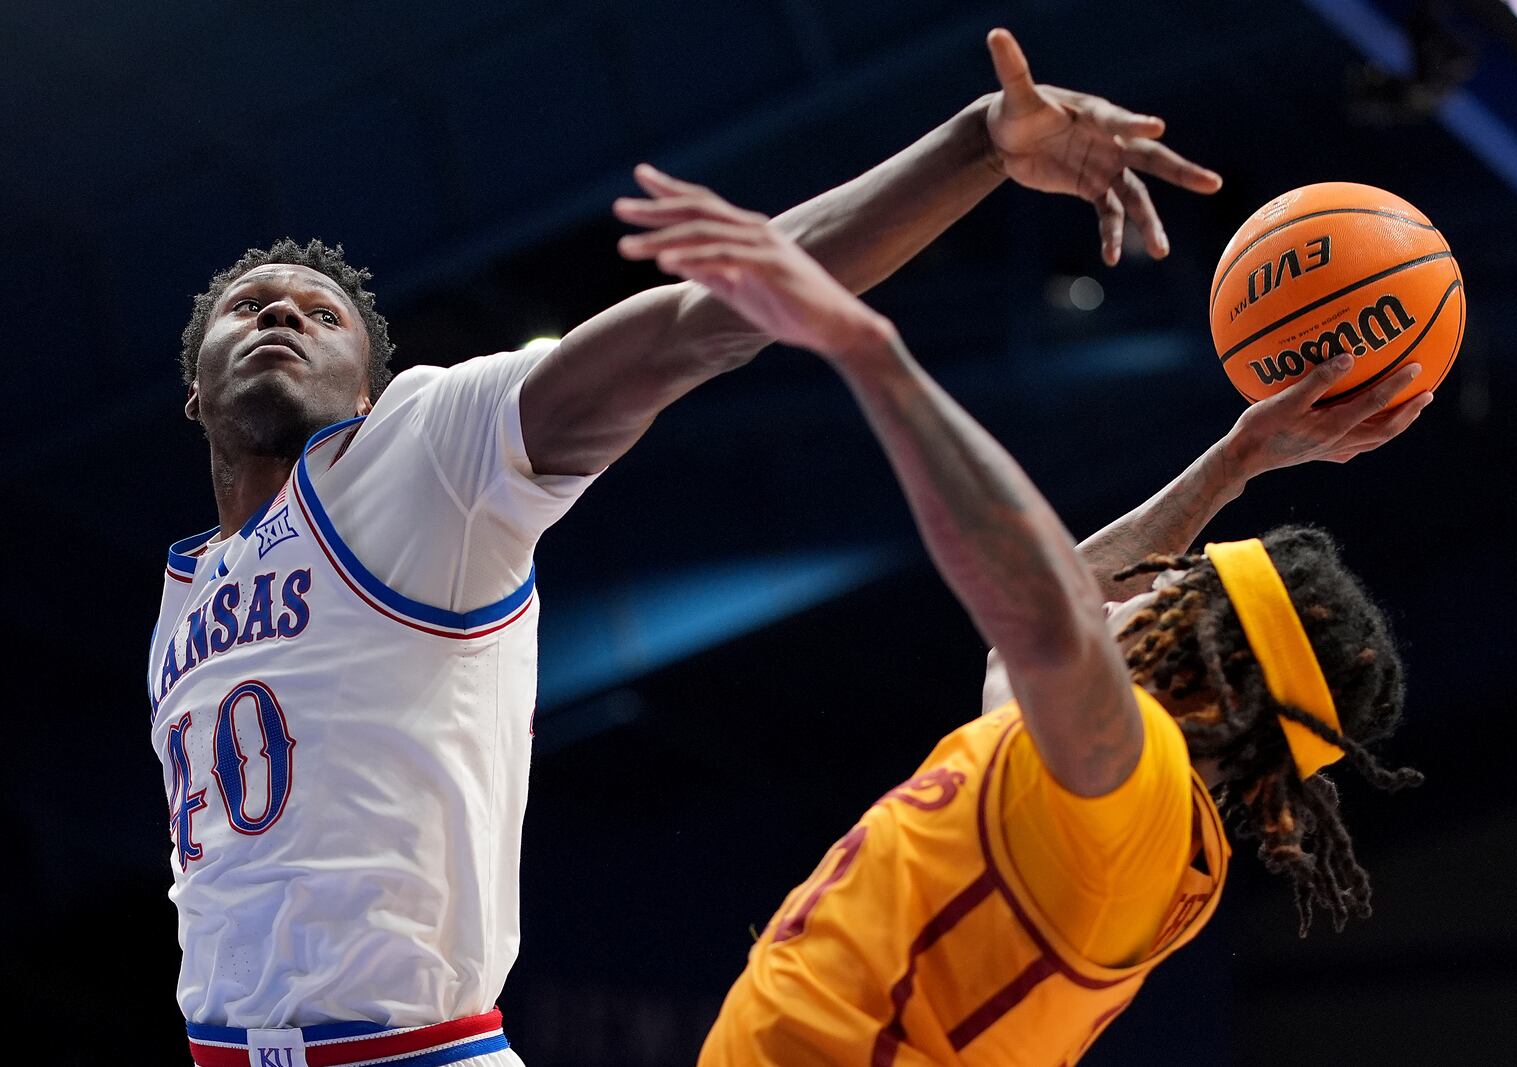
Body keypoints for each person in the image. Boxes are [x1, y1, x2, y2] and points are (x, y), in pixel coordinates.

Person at [152, 29, 1224, 1067]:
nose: (282, 316)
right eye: (248, 306)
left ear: (369, 391)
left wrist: (975, 145)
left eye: (319, 312)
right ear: (196, 386)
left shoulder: (423, 448)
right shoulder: (183, 593)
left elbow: (699, 323)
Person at [619, 152, 1428, 1067]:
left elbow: (1044, 611)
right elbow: (1054, 617)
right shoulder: (1122, 813)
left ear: (1204, 674)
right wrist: (1233, 464)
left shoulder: (1138, 787)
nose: (1153, 582)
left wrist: (865, 347)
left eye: (1179, 589)